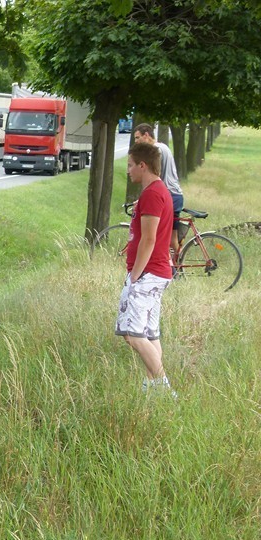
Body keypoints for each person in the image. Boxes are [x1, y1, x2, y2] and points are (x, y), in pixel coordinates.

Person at [116, 142, 176, 396]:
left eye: (130, 165)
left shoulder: (152, 193)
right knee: (149, 334)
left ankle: (164, 388)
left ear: (143, 165)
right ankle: (152, 386)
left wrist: (136, 274)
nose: (128, 171)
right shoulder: (159, 191)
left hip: (148, 274)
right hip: (156, 272)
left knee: (133, 334)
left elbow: (149, 239)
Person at [133, 123, 186, 255]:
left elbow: (154, 178)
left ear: (146, 135)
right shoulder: (163, 147)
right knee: (171, 240)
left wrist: (142, 200)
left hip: (169, 195)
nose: (136, 142)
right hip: (175, 195)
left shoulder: (155, 151)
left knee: (156, 235)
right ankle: (178, 268)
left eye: (137, 137)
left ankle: (170, 268)